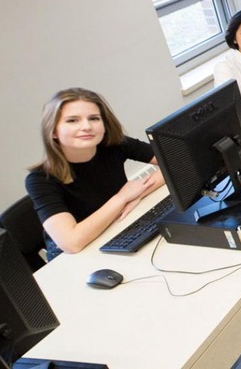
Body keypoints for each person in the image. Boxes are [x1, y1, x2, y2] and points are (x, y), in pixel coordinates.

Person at [25, 88, 164, 259]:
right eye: (72, 120)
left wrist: (137, 194)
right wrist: (121, 198)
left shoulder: (115, 145)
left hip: (116, 229)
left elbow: (175, 161)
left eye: (94, 118)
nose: (86, 126)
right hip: (76, 256)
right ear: (53, 131)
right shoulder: (39, 180)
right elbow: (71, 243)